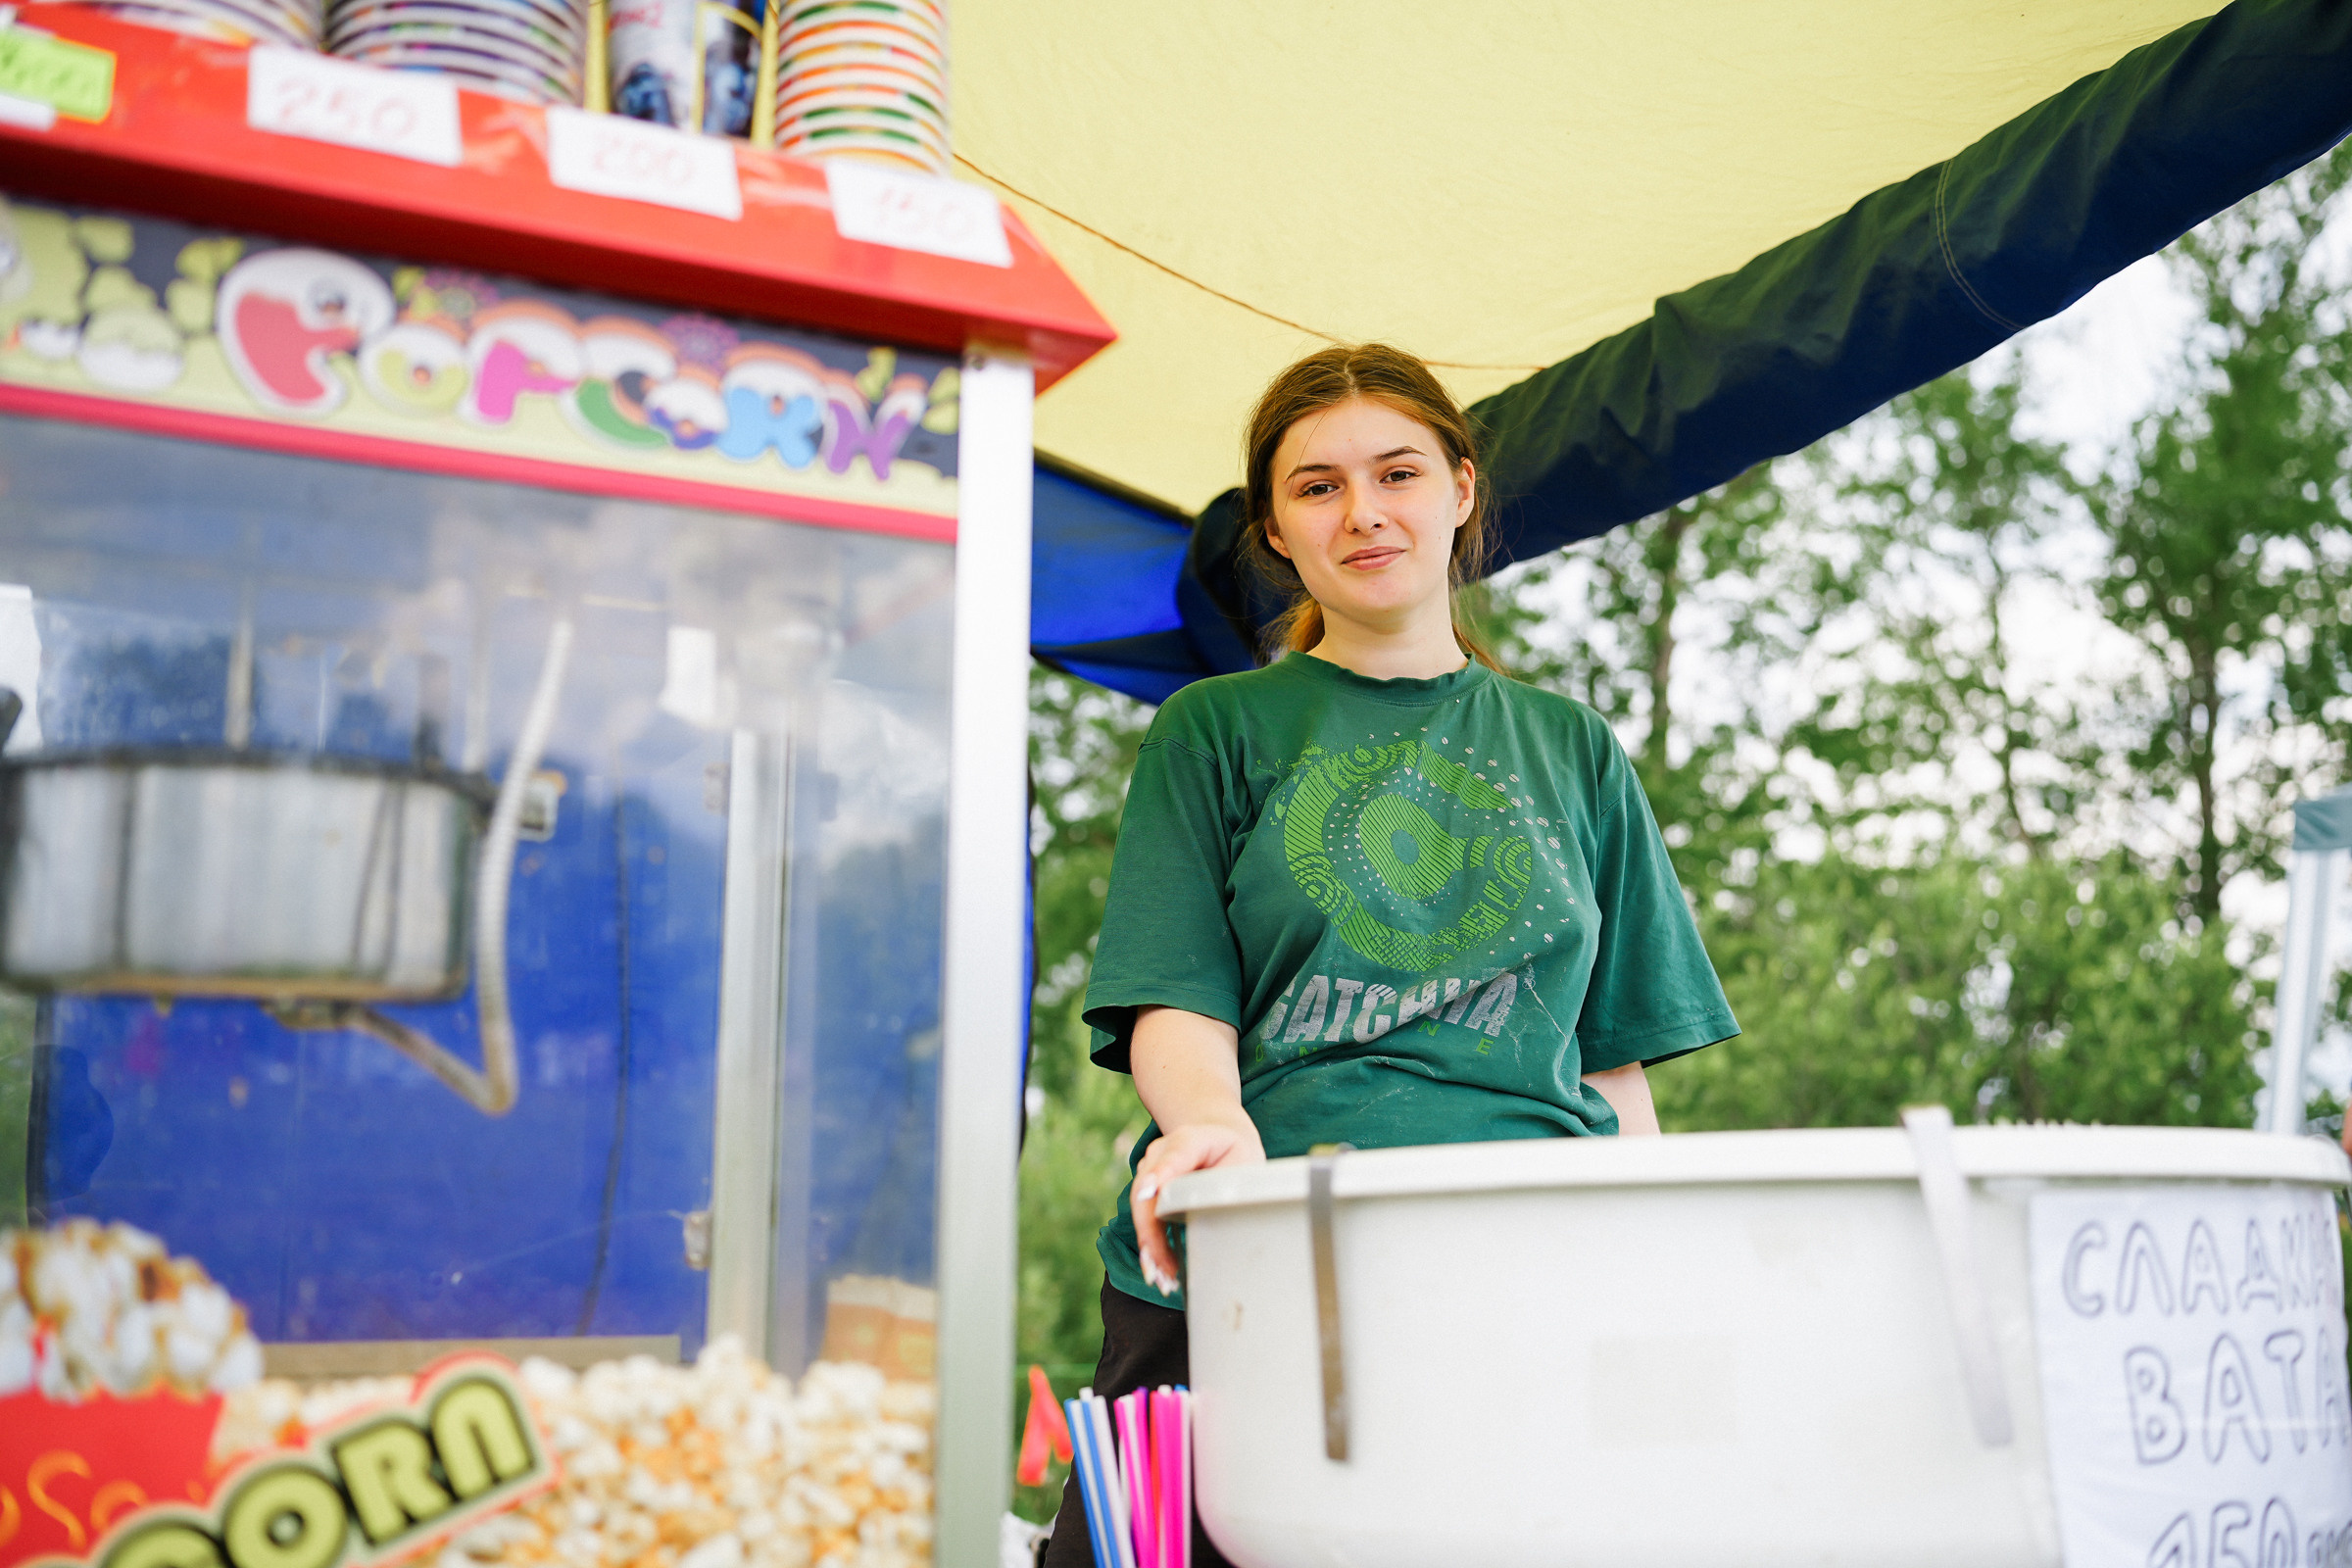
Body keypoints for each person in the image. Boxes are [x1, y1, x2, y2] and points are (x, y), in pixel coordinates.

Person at [1040, 343, 1740, 1566]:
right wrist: (1209, 1130)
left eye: (1397, 472)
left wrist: (1652, 1273)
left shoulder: (1572, 747)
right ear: (1276, 526)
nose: (1363, 511)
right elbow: (1173, 994)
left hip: (1526, 1275)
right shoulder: (1214, 727)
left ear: (1461, 491)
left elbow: (1617, 1064)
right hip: (1256, 1253)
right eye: (1316, 486)